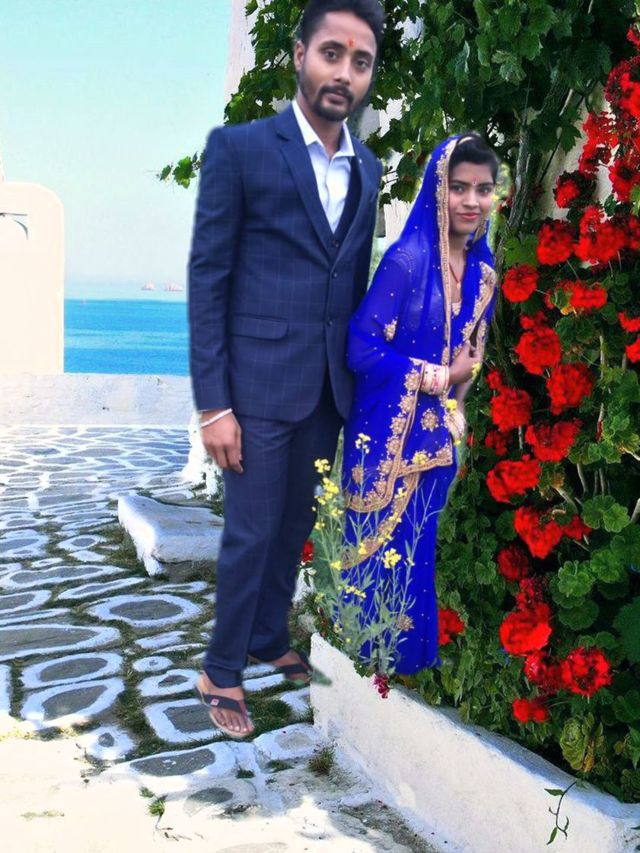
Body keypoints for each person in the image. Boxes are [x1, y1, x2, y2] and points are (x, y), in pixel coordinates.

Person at [188, 0, 385, 737]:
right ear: (300, 54)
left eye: (360, 61)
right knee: (252, 528)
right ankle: (221, 668)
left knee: (296, 521)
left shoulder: (367, 167)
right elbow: (209, 279)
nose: (344, 72)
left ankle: (269, 633)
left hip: (328, 386)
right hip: (256, 386)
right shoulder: (239, 150)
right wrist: (214, 404)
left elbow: (351, 282)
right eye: (332, 53)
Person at [341, 133, 499, 675]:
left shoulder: (482, 276)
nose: (471, 201)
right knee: (380, 565)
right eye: (459, 187)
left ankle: (405, 671)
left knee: (418, 558)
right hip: (389, 441)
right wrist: (438, 377)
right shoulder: (406, 263)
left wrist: (456, 402)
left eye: (482, 189)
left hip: (437, 445)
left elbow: (470, 357)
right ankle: (372, 669)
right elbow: (361, 347)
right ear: (438, 189)